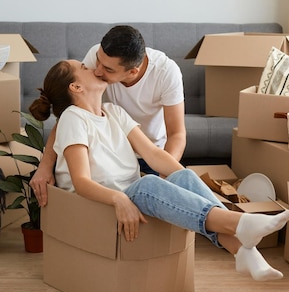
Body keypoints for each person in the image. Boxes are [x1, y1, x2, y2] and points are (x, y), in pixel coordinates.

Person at [29, 60, 289, 281]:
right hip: (99, 203)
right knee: (148, 185)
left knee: (184, 174)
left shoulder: (113, 112)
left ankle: (242, 252)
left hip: (129, 194)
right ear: (76, 86)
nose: (95, 68)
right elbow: (82, 182)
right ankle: (241, 226)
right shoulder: (74, 118)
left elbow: (154, 154)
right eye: (85, 67)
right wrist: (119, 198)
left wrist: (180, 181)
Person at [31, 25, 186, 205]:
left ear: (132, 71)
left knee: (178, 185)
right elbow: (71, 111)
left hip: (150, 157)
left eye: (108, 70)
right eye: (97, 61)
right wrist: (45, 166)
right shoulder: (99, 59)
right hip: (109, 162)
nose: (97, 71)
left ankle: (222, 216)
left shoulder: (165, 72)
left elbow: (176, 134)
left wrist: (165, 174)